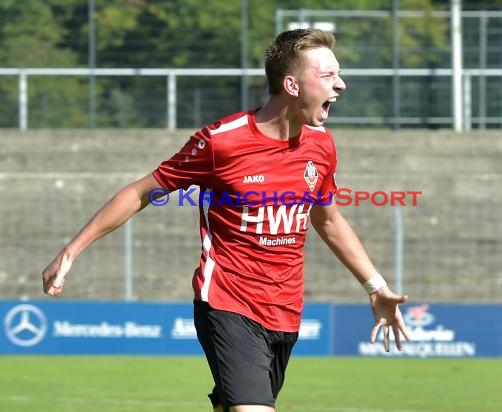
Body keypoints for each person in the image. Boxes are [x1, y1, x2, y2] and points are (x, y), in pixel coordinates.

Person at [42, 29, 411, 412]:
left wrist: (374, 285)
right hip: (227, 301)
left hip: (285, 310)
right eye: (328, 75)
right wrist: (71, 251)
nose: (341, 84)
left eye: (339, 74)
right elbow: (141, 192)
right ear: (292, 84)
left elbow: (328, 219)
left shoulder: (322, 145)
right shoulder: (222, 141)